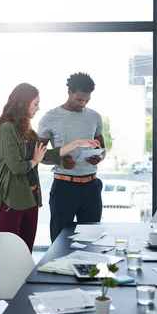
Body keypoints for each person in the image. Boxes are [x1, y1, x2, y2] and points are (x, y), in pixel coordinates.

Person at [0, 83, 99, 314]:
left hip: (31, 199)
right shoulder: (7, 129)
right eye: (35, 103)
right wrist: (34, 159)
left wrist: (76, 143)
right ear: (23, 103)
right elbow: (17, 166)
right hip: (11, 201)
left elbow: (48, 155)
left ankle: (18, 307)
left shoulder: (26, 130)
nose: (38, 106)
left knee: (23, 258)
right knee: (3, 257)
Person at [38, 72, 106, 243]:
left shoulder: (94, 117)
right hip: (64, 188)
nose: (82, 104)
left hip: (92, 188)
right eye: (79, 99)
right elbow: (39, 155)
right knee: (60, 242)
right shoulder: (50, 118)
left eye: (87, 100)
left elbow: (102, 150)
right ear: (69, 92)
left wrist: (98, 157)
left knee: (91, 242)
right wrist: (59, 160)